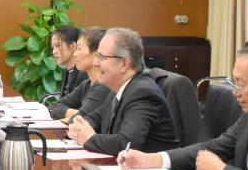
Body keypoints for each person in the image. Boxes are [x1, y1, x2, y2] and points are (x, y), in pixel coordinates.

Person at [68, 27, 179, 155]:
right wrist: (79, 126)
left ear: (124, 64)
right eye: (97, 55)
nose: (95, 63)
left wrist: (89, 138)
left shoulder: (143, 93)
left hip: (147, 167)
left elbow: (126, 143)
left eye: (101, 57)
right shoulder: (118, 88)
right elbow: (94, 117)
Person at [49, 26, 111, 121]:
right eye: (53, 47)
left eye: (79, 49)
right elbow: (55, 107)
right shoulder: (86, 84)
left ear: (96, 54)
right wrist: (78, 113)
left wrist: (77, 115)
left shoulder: (103, 85)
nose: (75, 54)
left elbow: (84, 118)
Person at [51, 25, 86, 99]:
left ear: (72, 46)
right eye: (53, 47)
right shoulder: (66, 72)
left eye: (57, 46)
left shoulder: (84, 75)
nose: (54, 52)